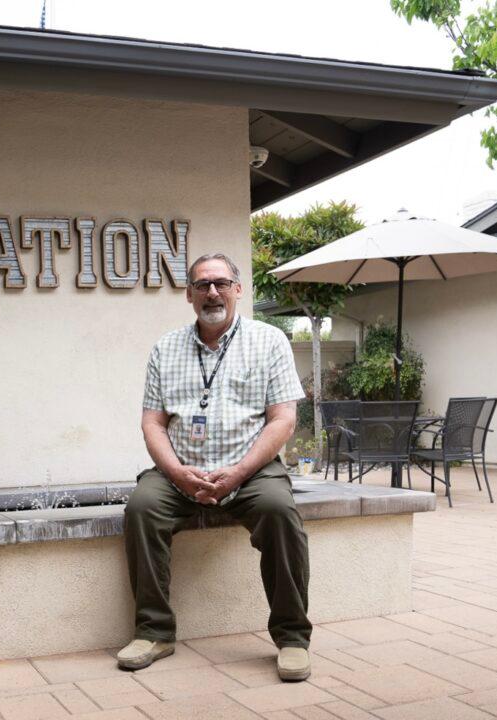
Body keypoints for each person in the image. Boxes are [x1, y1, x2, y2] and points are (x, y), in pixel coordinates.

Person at [117, 252, 312, 681]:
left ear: (238, 289)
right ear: (188, 294)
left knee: (280, 514)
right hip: (181, 469)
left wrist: (240, 472)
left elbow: (283, 419)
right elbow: (153, 422)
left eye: (221, 283)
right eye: (202, 284)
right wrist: (177, 473)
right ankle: (155, 633)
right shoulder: (165, 348)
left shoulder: (269, 341)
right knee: (142, 509)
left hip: (252, 469)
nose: (212, 292)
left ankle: (292, 638)